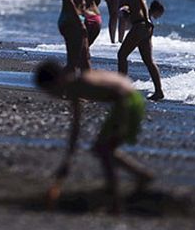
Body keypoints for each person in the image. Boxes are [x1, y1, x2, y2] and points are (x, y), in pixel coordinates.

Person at [35, 60, 154, 214]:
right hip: (124, 103)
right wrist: (67, 161)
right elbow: (76, 126)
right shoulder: (74, 88)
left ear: (57, 81)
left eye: (50, 91)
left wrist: (122, 125)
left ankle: (116, 201)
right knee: (102, 149)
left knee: (103, 149)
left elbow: (121, 92)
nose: (52, 96)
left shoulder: (84, 81)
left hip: (129, 102)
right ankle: (141, 176)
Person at [114, 0, 164, 101]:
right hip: (144, 27)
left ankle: (121, 90)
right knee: (148, 61)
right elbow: (124, 1)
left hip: (141, 25)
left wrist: (146, 18)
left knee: (122, 55)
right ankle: (159, 91)